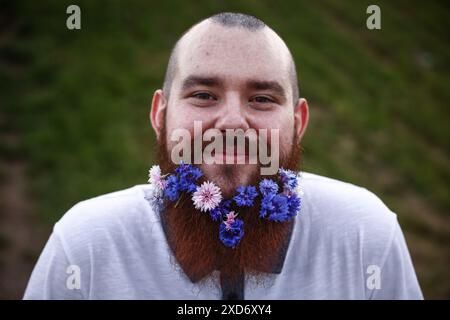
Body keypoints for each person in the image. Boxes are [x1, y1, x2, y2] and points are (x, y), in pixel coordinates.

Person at [24, 12, 423, 300]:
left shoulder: (365, 234)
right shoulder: (86, 246)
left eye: (262, 99)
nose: (233, 121)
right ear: (160, 116)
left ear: (298, 122)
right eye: (203, 95)